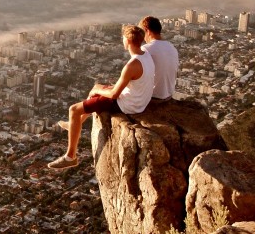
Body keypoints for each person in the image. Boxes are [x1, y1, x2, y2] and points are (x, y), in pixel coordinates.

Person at [48, 24, 155, 170]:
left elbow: (114, 94)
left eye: (123, 38)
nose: (122, 40)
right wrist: (100, 89)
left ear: (128, 41)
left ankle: (70, 156)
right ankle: (74, 123)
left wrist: (97, 89)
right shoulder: (145, 55)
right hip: (138, 99)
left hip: (127, 104)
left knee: (74, 109)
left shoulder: (132, 65)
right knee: (98, 88)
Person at [138, 15, 179, 101]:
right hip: (168, 95)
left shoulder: (146, 49)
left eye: (142, 32)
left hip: (153, 96)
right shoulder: (172, 48)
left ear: (147, 31)